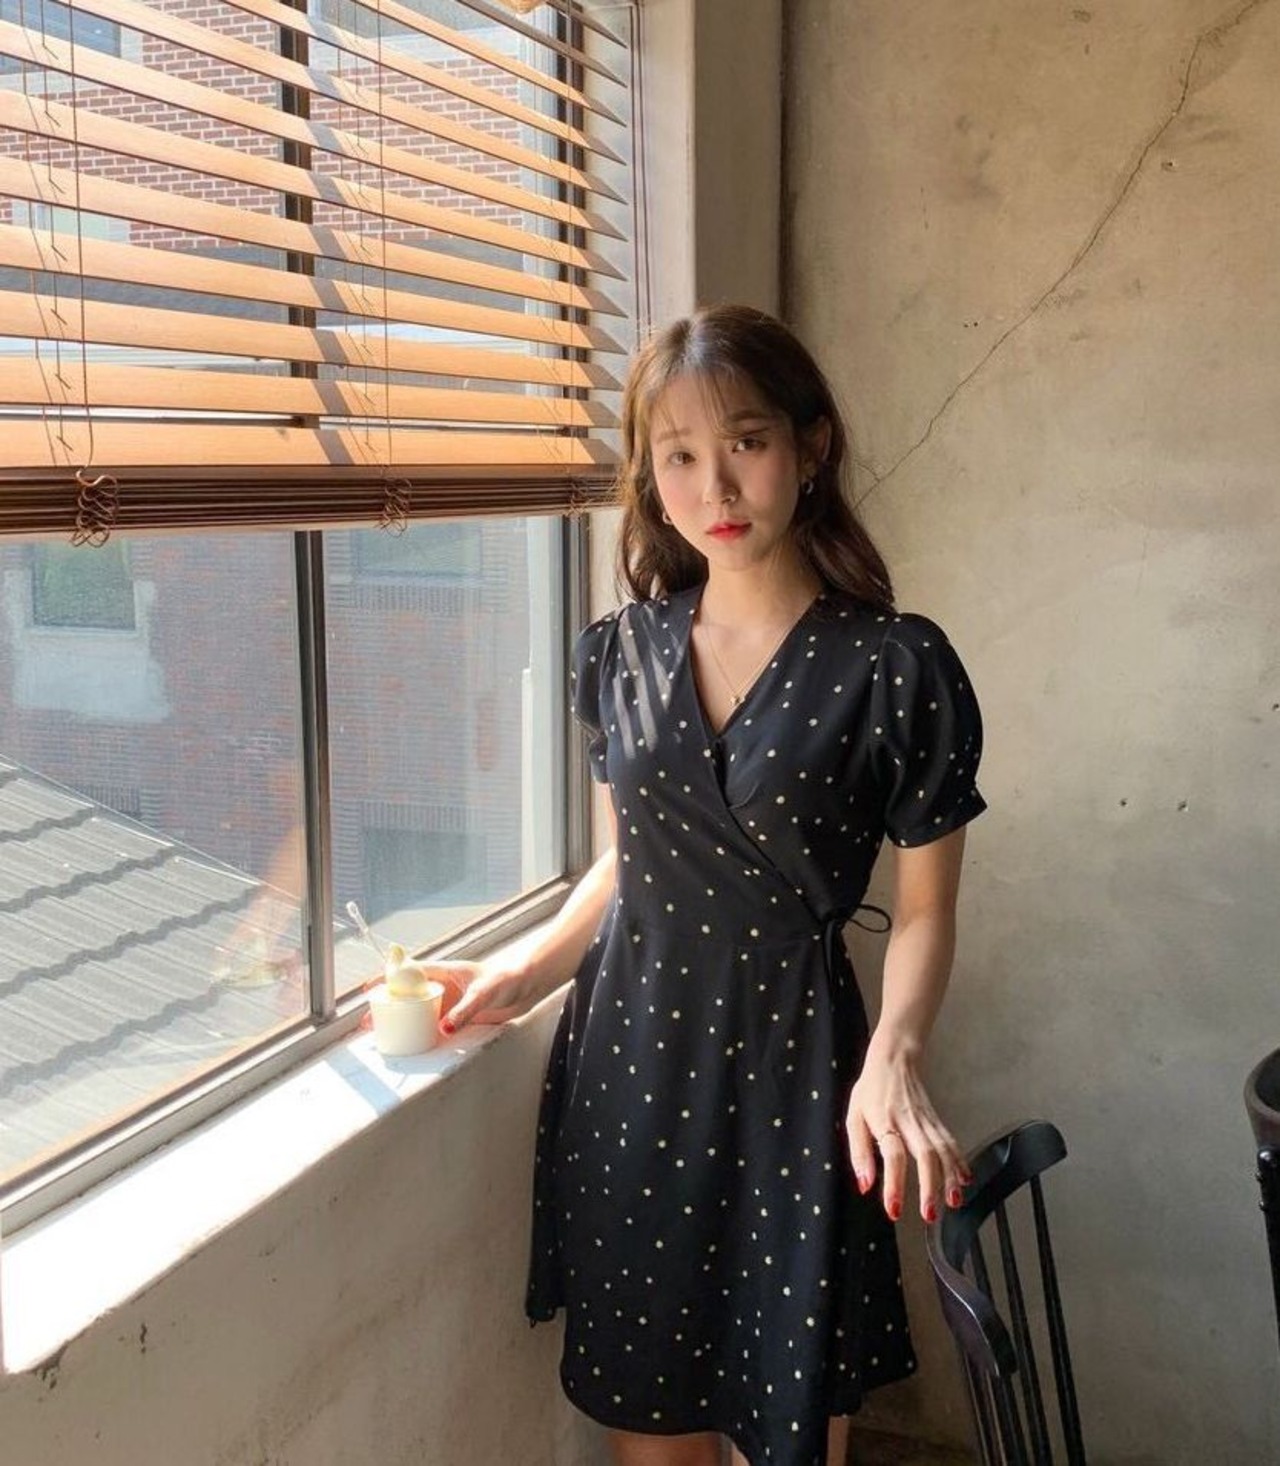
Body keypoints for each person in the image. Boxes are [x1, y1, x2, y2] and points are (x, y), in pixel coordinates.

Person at [431, 305, 986, 1466]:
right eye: (678, 454)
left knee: (793, 1425)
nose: (714, 485)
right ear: (649, 474)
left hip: (797, 1067)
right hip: (632, 1062)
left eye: (744, 441)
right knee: (653, 1428)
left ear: (809, 444)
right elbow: (630, 860)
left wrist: (894, 1053)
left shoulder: (893, 664)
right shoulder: (617, 651)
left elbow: (925, 907)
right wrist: (523, 967)